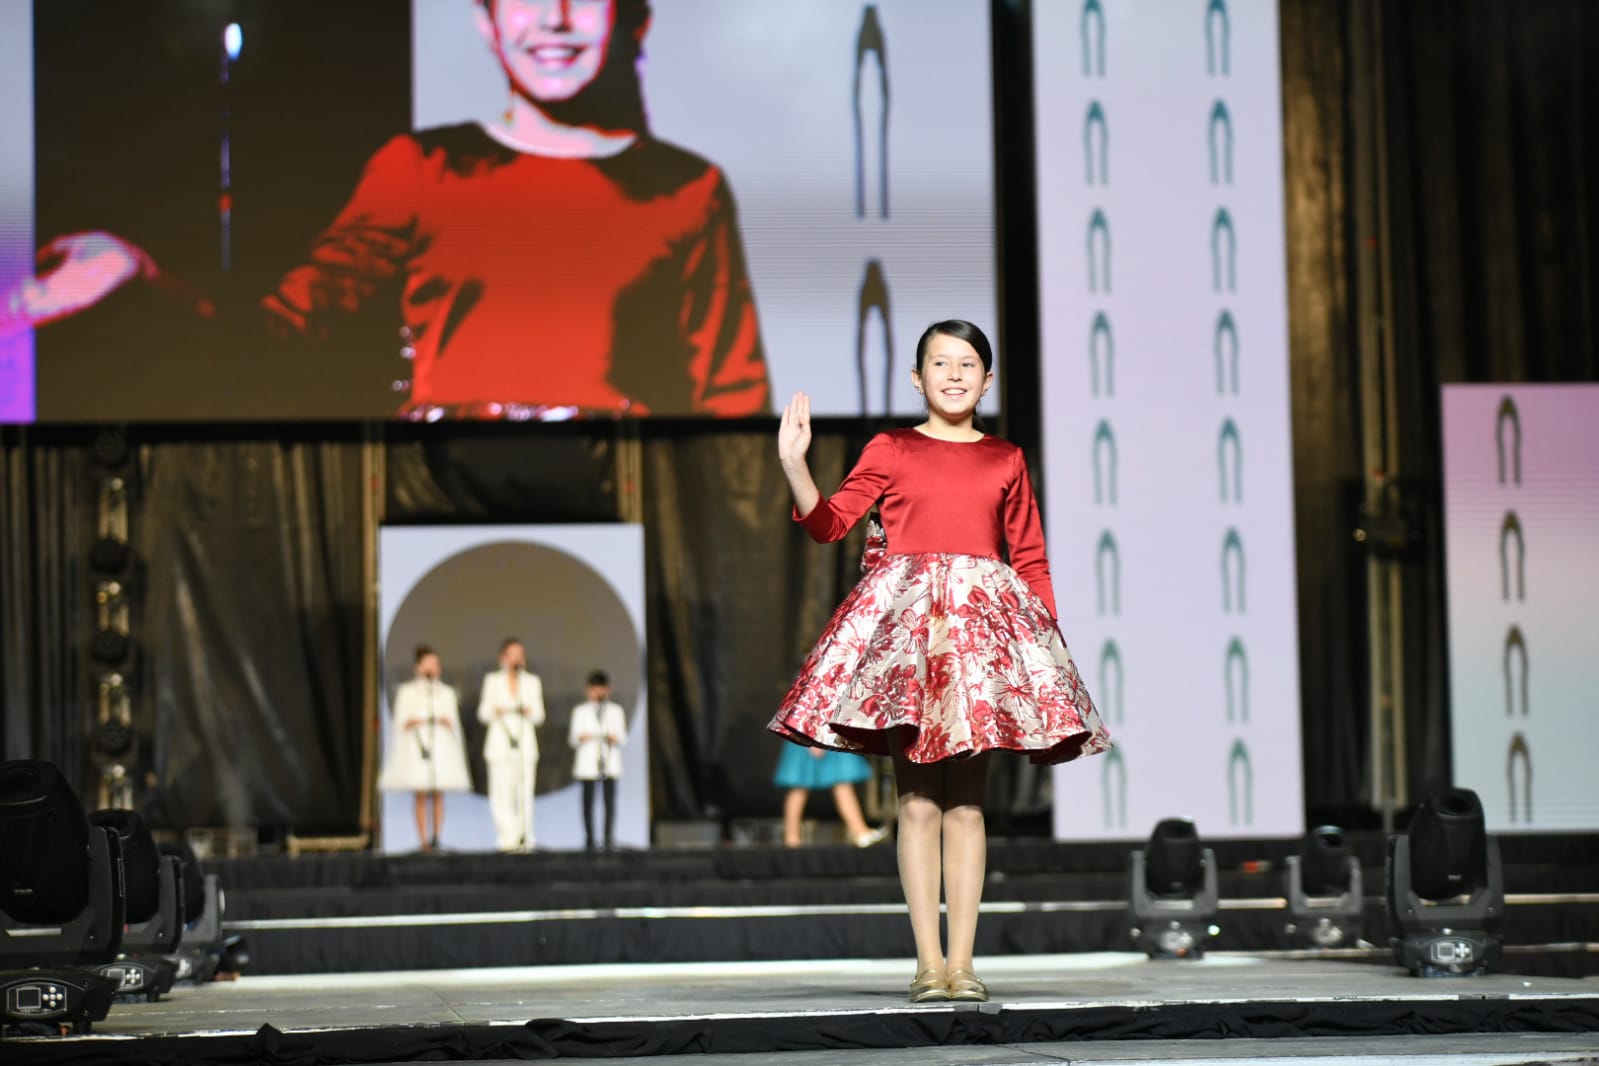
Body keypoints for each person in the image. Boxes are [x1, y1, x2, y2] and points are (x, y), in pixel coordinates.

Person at [7, 0, 770, 420]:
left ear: (630, 18)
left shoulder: (686, 186)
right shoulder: (423, 166)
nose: (557, 19)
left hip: (623, 494)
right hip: (441, 490)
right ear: (485, 18)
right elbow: (286, 325)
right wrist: (140, 277)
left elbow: (732, 400)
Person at [769, 319, 1112, 1005]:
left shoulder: (1005, 458)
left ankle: (963, 964)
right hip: (910, 635)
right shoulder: (891, 448)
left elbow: (1030, 557)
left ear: (986, 381)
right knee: (917, 801)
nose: (953, 374)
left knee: (968, 806)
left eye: (966, 364)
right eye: (939, 362)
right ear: (916, 378)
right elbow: (829, 523)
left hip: (982, 638)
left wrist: (1043, 652)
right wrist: (793, 466)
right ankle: (927, 963)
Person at [378, 645, 473, 851]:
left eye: (435, 664)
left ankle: (437, 837)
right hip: (417, 746)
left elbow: (454, 724)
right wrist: (417, 720)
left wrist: (444, 722)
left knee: (439, 793)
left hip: (440, 747)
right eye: (427, 663)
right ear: (418, 667)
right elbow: (401, 723)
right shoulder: (407, 692)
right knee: (420, 794)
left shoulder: (446, 693)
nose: (432, 668)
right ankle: (422, 841)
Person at [478, 638, 546, 852]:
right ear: (503, 657)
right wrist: (496, 710)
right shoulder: (492, 681)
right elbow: (483, 714)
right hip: (500, 745)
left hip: (525, 744)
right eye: (512, 654)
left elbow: (539, 716)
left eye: (520, 654)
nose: (517, 658)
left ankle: (525, 837)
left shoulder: (531, 682)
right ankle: (506, 837)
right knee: (501, 793)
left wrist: (528, 710)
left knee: (524, 792)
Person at [772, 742, 889, 849]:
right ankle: (791, 838)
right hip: (810, 732)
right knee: (799, 786)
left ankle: (860, 832)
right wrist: (812, 740)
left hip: (830, 735)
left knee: (842, 783)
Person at [567, 669, 627, 852]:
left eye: (601, 689)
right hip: (588, 764)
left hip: (609, 762)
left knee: (609, 802)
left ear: (607, 690)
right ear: (588, 690)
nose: (598, 693)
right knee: (588, 803)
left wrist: (613, 737)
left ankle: (608, 837)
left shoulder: (615, 711)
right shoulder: (580, 711)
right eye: (595, 689)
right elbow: (573, 738)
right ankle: (590, 839)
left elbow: (623, 738)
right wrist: (585, 737)